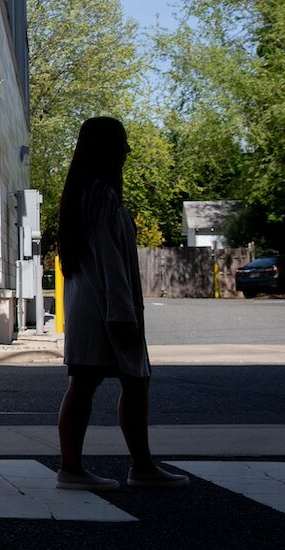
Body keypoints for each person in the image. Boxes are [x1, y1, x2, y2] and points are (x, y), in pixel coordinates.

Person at [55, 116, 189, 490]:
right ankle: (137, 466)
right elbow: (112, 261)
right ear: (107, 150)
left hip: (88, 306)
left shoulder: (80, 195)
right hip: (107, 309)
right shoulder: (101, 196)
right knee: (132, 381)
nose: (127, 151)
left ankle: (76, 467)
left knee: (84, 383)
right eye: (122, 143)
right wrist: (123, 313)